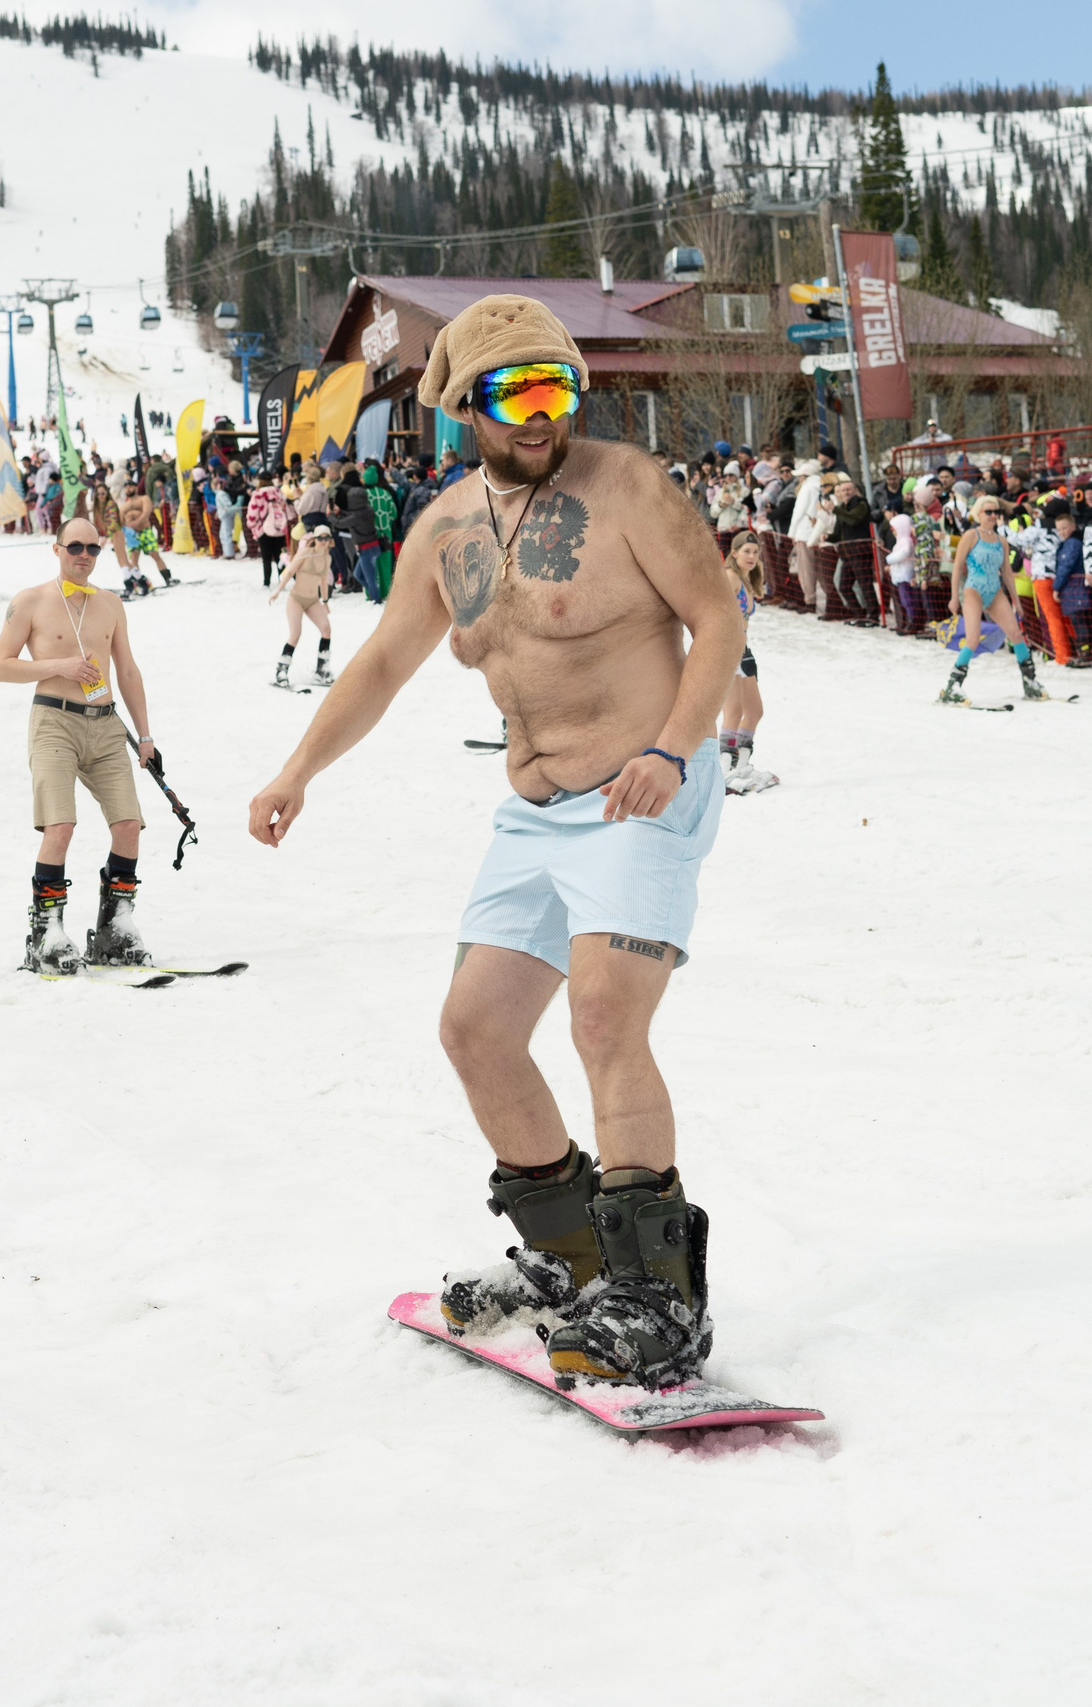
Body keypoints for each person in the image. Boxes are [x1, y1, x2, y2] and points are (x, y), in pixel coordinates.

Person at [246, 294, 746, 1390]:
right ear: (465, 404)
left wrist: (672, 748)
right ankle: (572, 1263)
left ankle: (660, 1297)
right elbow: (379, 665)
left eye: (556, 387)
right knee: (475, 1031)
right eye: (514, 392)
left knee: (604, 1012)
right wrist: (295, 772)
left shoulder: (628, 490)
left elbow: (719, 619)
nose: (540, 414)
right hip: (533, 809)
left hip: (642, 785)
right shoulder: (443, 530)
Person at [0, 518, 157, 972]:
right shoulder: (31, 601)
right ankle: (46, 934)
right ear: (57, 549)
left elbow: (128, 671)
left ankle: (114, 929)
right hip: (54, 723)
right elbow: (0, 667)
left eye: (93, 548)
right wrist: (58, 666)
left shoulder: (110, 603)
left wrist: (145, 737)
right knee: (59, 827)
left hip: (105, 726)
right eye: (75, 546)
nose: (84, 555)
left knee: (128, 823)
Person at [940, 495, 1050, 704]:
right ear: (979, 513)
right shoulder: (971, 536)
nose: (992, 516)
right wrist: (954, 597)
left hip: (995, 591)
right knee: (973, 638)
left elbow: (1007, 572)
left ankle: (1030, 681)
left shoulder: (1001, 540)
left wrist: (1016, 601)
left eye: (996, 512)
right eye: (988, 512)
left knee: (1016, 634)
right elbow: (957, 567)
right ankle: (953, 684)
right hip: (974, 590)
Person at [719, 532, 775, 793]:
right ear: (734, 553)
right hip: (730, 650)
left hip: (744, 650)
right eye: (747, 551)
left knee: (754, 711)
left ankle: (741, 765)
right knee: (734, 711)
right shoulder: (729, 578)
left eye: (755, 552)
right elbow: (715, 612)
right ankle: (724, 769)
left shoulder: (745, 579)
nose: (752, 557)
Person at [270, 520, 336, 688]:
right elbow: (290, 570)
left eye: (326, 538)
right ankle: (281, 670)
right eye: (320, 538)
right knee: (295, 634)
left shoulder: (327, 557)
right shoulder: (306, 553)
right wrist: (278, 590)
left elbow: (323, 581)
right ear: (314, 539)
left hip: (313, 600)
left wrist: (325, 601)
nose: (323, 541)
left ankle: (322, 670)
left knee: (326, 629)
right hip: (296, 599)